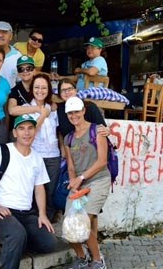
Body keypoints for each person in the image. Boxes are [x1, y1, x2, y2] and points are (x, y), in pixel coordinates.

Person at [0, 114, 57, 269]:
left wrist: (42, 214)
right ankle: (15, 245)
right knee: (17, 234)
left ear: (35, 131)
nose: (26, 133)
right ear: (15, 133)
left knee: (50, 243)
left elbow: (39, 187)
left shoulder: (37, 158)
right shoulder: (3, 151)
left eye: (30, 128)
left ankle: (17, 244)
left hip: (27, 214)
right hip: (3, 212)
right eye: (21, 129)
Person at [63, 97, 110, 269]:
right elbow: (70, 165)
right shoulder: (68, 138)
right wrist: (74, 182)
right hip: (79, 183)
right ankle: (82, 258)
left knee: (83, 221)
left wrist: (81, 179)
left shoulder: (97, 130)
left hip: (98, 180)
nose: (74, 115)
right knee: (69, 225)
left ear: (83, 111)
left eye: (76, 111)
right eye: (70, 113)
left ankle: (98, 261)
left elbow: (102, 161)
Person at [26, 73, 60, 220]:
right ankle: (35, 223)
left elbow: (58, 132)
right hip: (35, 155)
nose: (40, 90)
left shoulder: (53, 109)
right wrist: (42, 115)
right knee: (35, 192)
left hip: (53, 156)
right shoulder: (27, 108)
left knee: (50, 192)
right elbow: (29, 133)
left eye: (44, 87)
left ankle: (49, 223)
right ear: (32, 89)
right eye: (37, 87)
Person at [7, 55, 36, 134]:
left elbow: (52, 101)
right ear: (18, 73)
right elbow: (12, 110)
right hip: (19, 132)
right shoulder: (14, 90)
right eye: (21, 69)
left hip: (38, 130)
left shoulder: (40, 86)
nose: (25, 71)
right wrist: (38, 109)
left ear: (34, 70)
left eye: (29, 68)